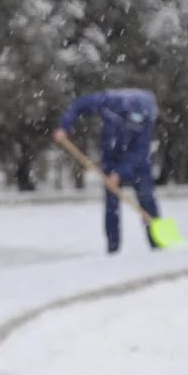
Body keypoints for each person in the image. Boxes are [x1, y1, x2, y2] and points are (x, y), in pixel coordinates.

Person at [52, 89, 161, 254]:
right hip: (111, 158)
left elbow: (139, 153)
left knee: (147, 200)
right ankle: (113, 248)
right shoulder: (109, 101)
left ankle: (159, 244)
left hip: (138, 166)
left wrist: (120, 174)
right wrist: (64, 126)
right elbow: (78, 105)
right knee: (112, 207)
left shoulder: (146, 120)